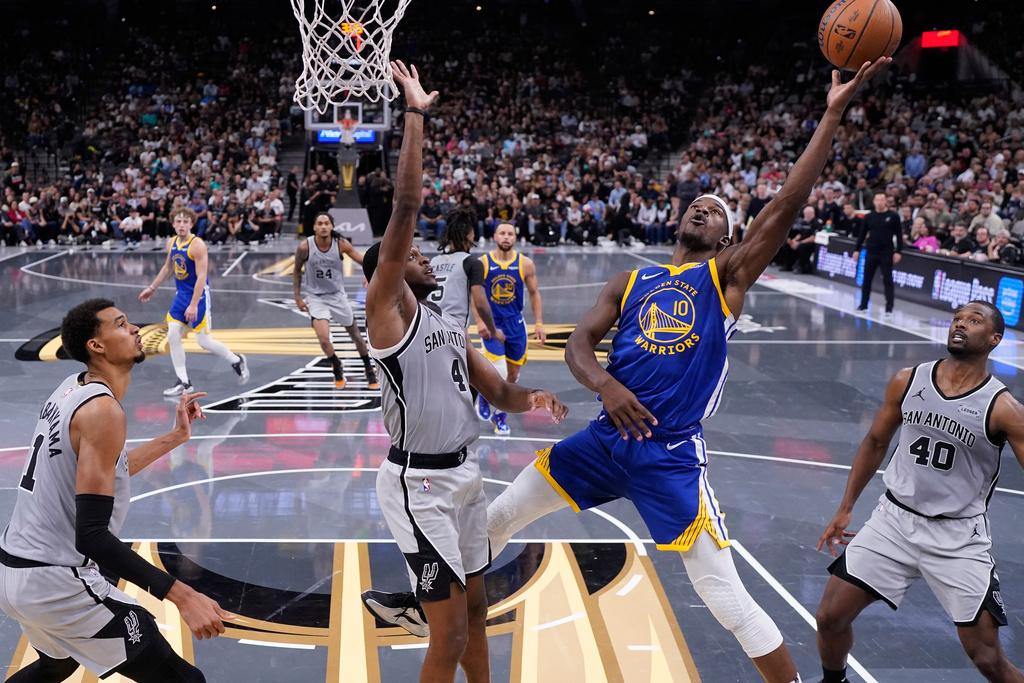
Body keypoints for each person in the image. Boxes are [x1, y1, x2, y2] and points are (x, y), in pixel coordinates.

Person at [366, 58, 891, 683]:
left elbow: (785, 204)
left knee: (724, 597)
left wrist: (831, 115)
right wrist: (604, 384)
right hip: (603, 441)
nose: (701, 210)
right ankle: (427, 604)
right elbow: (577, 347)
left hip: (669, 454)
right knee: (497, 518)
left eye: (714, 211)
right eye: (695, 204)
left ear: (730, 240)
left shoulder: (725, 277)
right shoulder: (630, 280)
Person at [358, 61, 566, 683]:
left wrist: (533, 396)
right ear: (389, 271)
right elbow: (407, 206)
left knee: (476, 610)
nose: (425, 258)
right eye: (413, 255)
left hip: (465, 475)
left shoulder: (447, 324)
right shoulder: (386, 314)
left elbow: (496, 389)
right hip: (417, 485)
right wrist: (414, 114)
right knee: (446, 634)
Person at [0, 299, 231, 682]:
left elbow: (107, 468)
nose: (136, 328)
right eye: (122, 324)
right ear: (97, 345)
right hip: (54, 580)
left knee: (57, 666)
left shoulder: (72, 388)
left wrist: (176, 436)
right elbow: (91, 536)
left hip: (13, 570)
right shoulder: (102, 411)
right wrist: (183, 595)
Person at [815, 301, 1024, 683]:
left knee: (987, 657)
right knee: (830, 616)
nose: (960, 324)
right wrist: (846, 507)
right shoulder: (909, 380)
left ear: (995, 339)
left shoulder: (1003, 408)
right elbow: (876, 441)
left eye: (973, 320)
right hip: (894, 522)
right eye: (957, 318)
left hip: (957, 537)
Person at [138, 206, 249, 396]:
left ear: (191, 224)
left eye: (185, 222)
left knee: (203, 341)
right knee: (173, 335)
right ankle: (184, 382)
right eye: (178, 221)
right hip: (181, 296)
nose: (182, 225)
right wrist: (152, 287)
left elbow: (201, 276)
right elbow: (168, 268)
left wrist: (194, 304)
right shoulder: (171, 242)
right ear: (173, 224)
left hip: (199, 297)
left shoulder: (197, 245)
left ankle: (236, 360)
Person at [473, 221, 547, 437]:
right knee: (499, 371)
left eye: (510, 234)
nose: (506, 237)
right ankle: (488, 400)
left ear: (515, 238)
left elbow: (534, 293)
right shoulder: (482, 263)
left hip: (515, 324)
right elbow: (475, 295)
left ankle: (497, 412)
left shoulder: (525, 264)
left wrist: (539, 322)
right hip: (492, 323)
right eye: (502, 233)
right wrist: (480, 322)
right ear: (495, 237)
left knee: (513, 376)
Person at [292, 211, 379, 389]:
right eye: (320, 224)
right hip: (316, 298)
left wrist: (370, 274)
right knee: (324, 339)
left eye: (326, 223)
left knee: (356, 336)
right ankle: (336, 364)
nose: (323, 226)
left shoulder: (340, 244)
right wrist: (298, 297)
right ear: (314, 227)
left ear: (332, 226)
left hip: (337, 295)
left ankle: (368, 367)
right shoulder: (305, 247)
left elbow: (362, 260)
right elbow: (296, 271)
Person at [427, 204, 504, 342]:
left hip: (428, 329)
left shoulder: (434, 261)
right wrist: (493, 330)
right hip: (453, 332)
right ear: (469, 236)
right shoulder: (471, 263)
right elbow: (480, 303)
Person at [853, 193, 903, 315]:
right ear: (874, 202)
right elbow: (862, 234)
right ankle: (863, 305)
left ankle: (889, 307)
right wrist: (856, 250)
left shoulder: (893, 216)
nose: (880, 202)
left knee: (887, 280)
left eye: (882, 200)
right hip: (871, 251)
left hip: (886, 252)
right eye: (877, 200)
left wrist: (898, 251)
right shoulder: (869, 217)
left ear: (885, 201)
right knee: (866, 279)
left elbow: (899, 235)